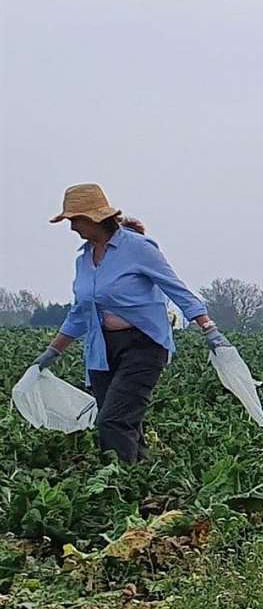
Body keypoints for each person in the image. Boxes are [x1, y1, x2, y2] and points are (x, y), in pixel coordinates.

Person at [29, 184, 229, 463]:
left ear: (95, 218)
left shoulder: (138, 248)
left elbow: (175, 288)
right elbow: (79, 312)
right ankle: (142, 479)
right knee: (123, 418)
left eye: (75, 219)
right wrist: (52, 353)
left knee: (112, 421)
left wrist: (209, 328)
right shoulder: (84, 259)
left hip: (143, 345)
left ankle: (119, 483)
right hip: (102, 349)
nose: (72, 226)